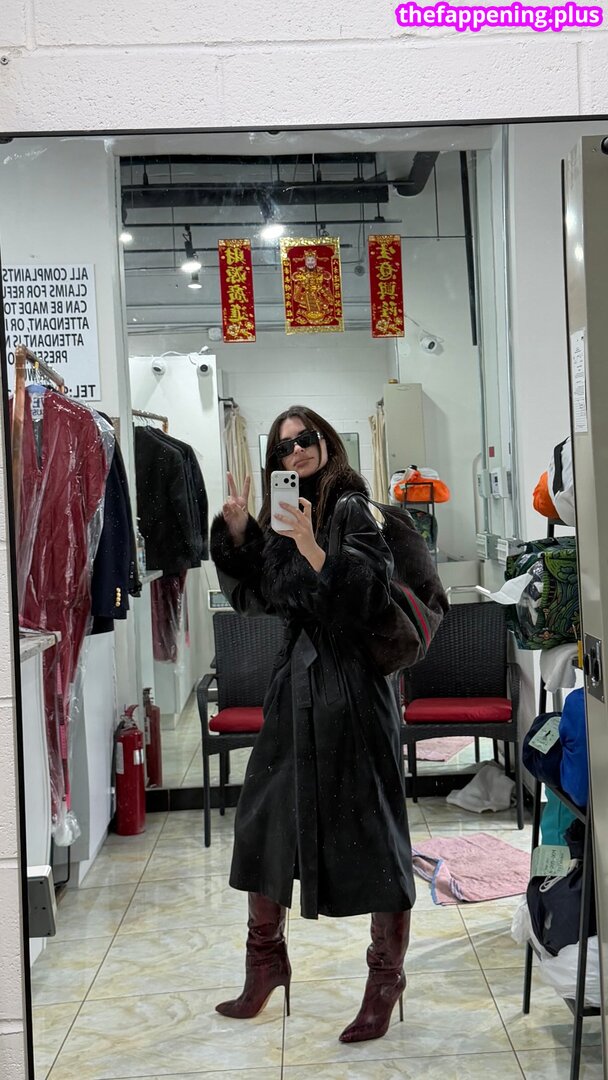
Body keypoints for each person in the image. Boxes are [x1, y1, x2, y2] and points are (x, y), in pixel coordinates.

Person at [210, 405, 447, 1044]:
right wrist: (241, 534)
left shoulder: (353, 509)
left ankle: (385, 978)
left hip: (353, 688)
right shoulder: (288, 515)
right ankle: (265, 962)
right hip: (295, 687)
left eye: (306, 439)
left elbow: (365, 599)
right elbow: (260, 597)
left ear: (327, 441)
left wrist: (313, 547)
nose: (297, 453)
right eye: (283, 448)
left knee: (375, 830)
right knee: (263, 823)